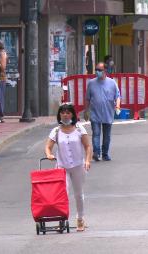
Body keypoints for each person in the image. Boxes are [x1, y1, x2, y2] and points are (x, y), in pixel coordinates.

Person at [45, 103, 92, 232]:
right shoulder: (56, 131)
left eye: (68, 112)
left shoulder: (79, 129)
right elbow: (48, 146)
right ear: (59, 115)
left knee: (78, 194)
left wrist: (87, 161)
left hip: (78, 166)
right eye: (63, 112)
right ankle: (62, 218)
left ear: (73, 114)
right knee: (63, 193)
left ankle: (80, 218)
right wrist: (49, 154)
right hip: (62, 167)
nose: (65, 115)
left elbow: (87, 146)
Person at [84, 62, 121, 161]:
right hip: (95, 114)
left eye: (99, 70)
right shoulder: (91, 83)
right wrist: (86, 111)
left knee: (106, 136)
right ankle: (96, 153)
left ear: (105, 71)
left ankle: (105, 154)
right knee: (96, 133)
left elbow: (117, 96)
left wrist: (117, 106)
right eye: (96, 69)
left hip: (108, 113)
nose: (97, 72)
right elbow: (87, 98)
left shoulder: (112, 83)